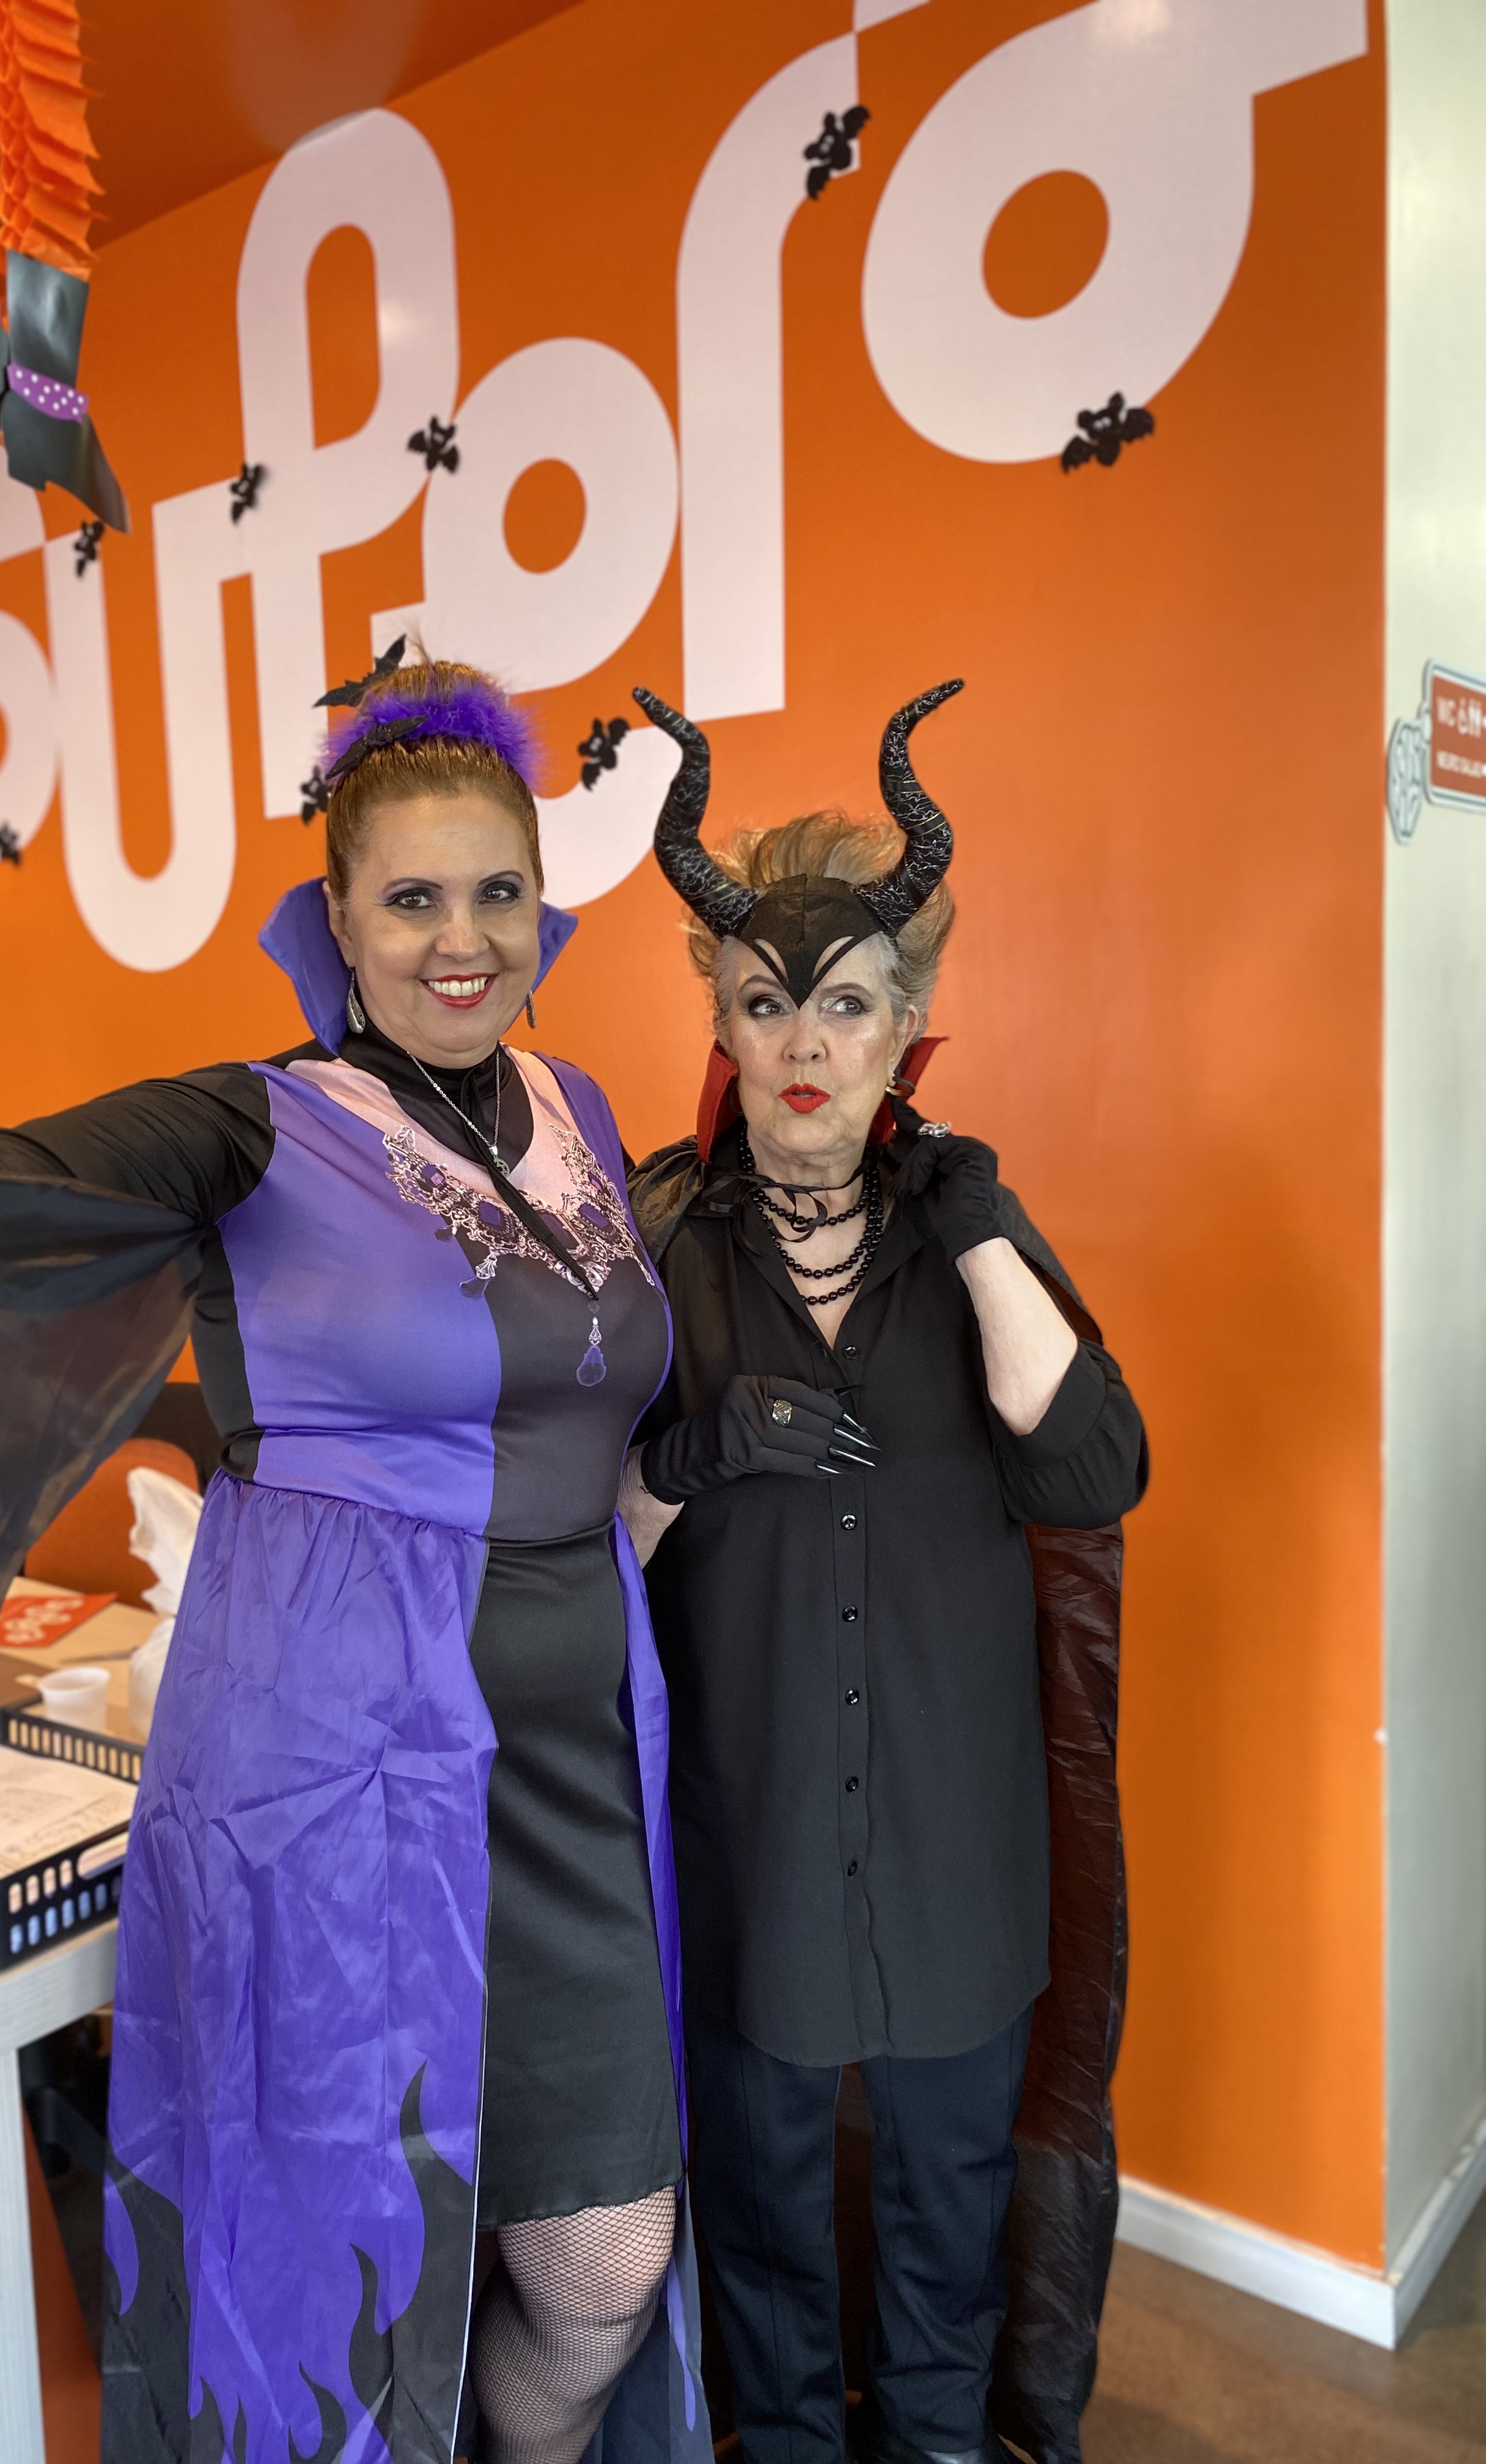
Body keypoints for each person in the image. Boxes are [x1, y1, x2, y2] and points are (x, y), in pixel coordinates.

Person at [0, 661, 710, 2464]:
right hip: (342, 1772)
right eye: (412, 898)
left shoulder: (580, 1109)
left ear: (545, 905)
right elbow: (2, 1183)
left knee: (602, 2263)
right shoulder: (259, 1123)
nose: (461, 941)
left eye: (498, 893)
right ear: (339, 923)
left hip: (581, 1770)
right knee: (358, 2262)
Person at [619, 687, 1149, 2464]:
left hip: (952, 1860)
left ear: (906, 1024)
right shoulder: (657, 1247)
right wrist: (690, 1455)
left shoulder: (969, 1235)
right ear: (721, 1016)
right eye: (765, 1003)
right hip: (755, 1852)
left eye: (847, 1004)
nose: (805, 1045)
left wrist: (980, 1227)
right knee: (764, 2243)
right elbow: (573, 1547)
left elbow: (1093, 1470)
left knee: (946, 2243)